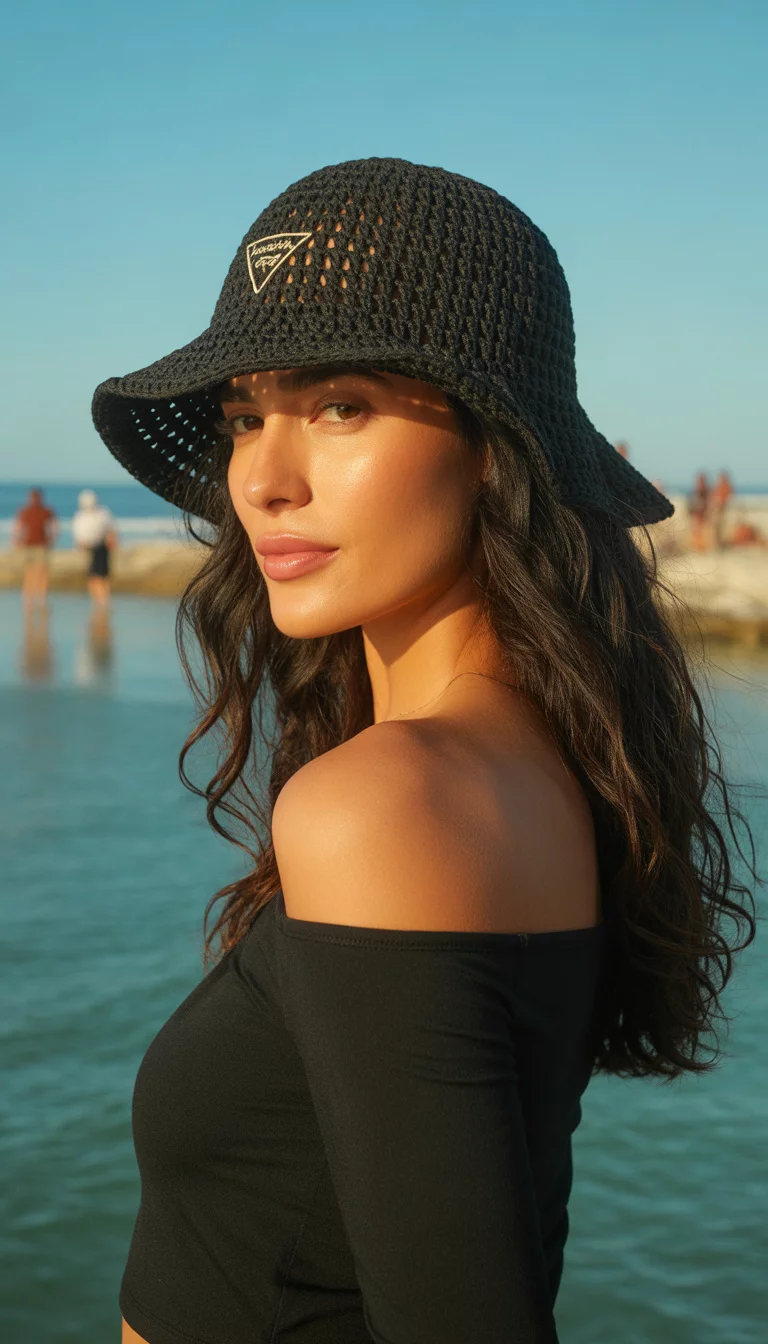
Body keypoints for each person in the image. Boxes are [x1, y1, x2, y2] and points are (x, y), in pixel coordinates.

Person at [91, 158, 758, 1344]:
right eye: (248, 417)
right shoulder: (530, 771)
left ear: (496, 446)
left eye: (341, 405)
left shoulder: (386, 804)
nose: (263, 478)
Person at [10, 487, 59, 610]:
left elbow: (54, 526)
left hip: (41, 545)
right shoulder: (25, 511)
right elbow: (18, 527)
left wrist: (52, 539)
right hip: (29, 545)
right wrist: (17, 540)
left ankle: (40, 598)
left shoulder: (46, 511)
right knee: (30, 572)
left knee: (41, 572)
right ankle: (29, 598)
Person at [71, 488, 117, 605]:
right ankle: (98, 600)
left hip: (101, 546)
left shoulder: (102, 513)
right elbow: (78, 534)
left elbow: (111, 530)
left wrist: (112, 542)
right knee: (92, 576)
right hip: (88, 547)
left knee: (102, 575)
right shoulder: (80, 516)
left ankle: (104, 600)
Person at [687, 470, 711, 551]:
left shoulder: (704, 490)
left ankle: (700, 546)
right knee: (697, 530)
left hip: (701, 514)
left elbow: (706, 503)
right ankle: (697, 546)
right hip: (697, 513)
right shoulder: (698, 491)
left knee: (700, 531)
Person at [710, 469, 735, 549]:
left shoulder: (726, 487)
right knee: (717, 529)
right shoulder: (720, 487)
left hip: (722, 511)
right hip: (719, 511)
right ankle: (718, 544)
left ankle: (721, 544)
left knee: (721, 529)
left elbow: (725, 499)